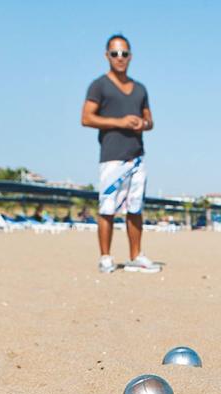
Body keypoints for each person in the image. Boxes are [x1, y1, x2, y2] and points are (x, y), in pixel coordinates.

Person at [81, 34, 159, 274]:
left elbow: (150, 121)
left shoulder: (140, 88)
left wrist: (141, 124)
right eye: (115, 54)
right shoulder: (99, 85)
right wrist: (120, 122)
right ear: (107, 56)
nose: (120, 58)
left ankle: (136, 255)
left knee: (135, 208)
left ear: (130, 56)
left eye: (124, 53)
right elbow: (86, 117)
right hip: (111, 157)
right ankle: (105, 257)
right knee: (107, 208)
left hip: (137, 156)